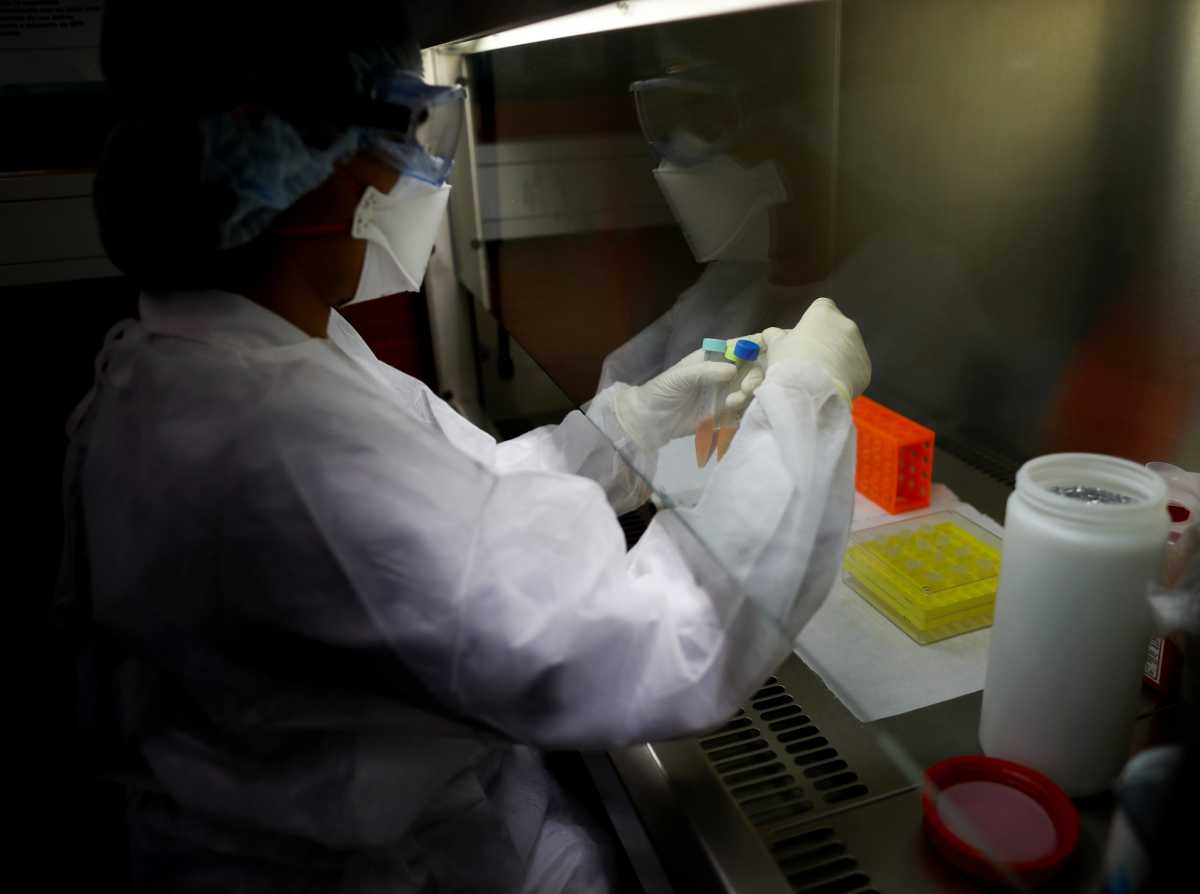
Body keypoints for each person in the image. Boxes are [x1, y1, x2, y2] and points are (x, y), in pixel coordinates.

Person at [56, 12, 871, 894]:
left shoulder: (219, 360)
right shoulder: (270, 444)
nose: (412, 169)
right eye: (399, 134)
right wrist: (805, 399)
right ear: (318, 178)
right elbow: (658, 641)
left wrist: (630, 424)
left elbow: (448, 514)